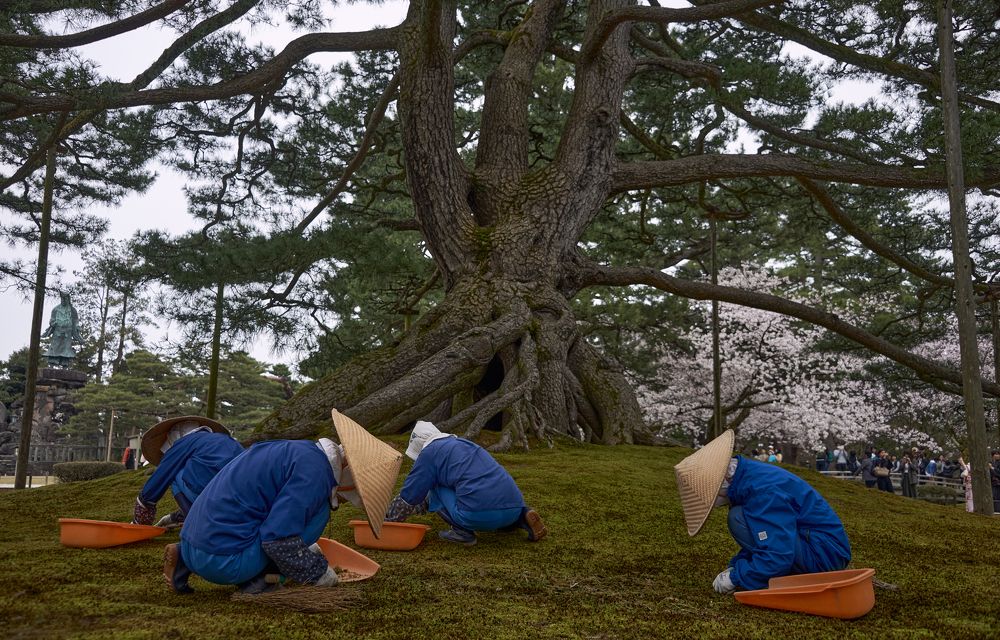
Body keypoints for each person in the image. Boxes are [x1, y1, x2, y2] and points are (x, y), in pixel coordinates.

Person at [164, 411, 401, 594]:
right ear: (348, 468)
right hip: (225, 561)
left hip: (195, 542)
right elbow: (277, 539)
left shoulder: (301, 452)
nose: (346, 499)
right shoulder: (316, 474)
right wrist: (316, 571)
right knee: (317, 515)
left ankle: (184, 557)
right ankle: (256, 581)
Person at [674, 430, 851, 594]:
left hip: (824, 556)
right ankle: (774, 572)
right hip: (819, 546)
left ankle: (786, 576)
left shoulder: (762, 493)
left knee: (737, 518)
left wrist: (737, 578)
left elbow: (779, 553)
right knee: (740, 515)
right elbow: (766, 534)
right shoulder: (751, 477)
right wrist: (737, 566)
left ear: (723, 480)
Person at [384, 421, 546, 546]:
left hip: (479, 515)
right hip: (514, 508)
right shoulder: (464, 444)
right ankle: (523, 518)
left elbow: (412, 494)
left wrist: (389, 519)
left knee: (435, 486)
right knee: (482, 491)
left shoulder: (430, 453)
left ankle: (462, 533)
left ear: (420, 447)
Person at [131, 416, 243, 528]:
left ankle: (196, 524)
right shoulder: (227, 440)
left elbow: (160, 477)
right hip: (243, 500)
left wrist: (142, 509)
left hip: (216, 498)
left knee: (174, 471)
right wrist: (174, 517)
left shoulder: (184, 442)